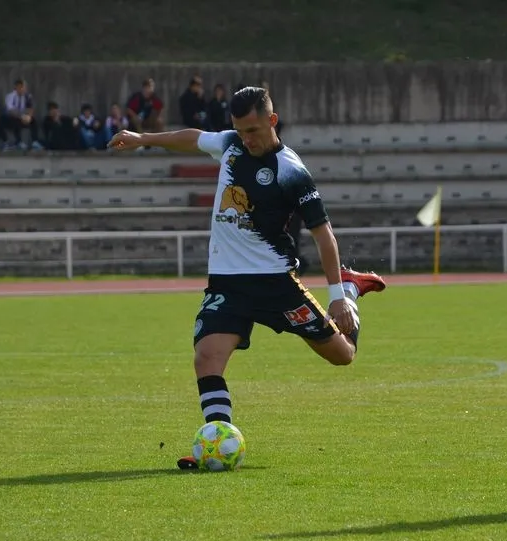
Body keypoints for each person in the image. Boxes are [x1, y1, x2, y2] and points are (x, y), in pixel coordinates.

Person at [108, 86, 386, 469]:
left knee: (343, 356)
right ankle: (217, 442)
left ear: (272, 121)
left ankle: (354, 287)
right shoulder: (231, 145)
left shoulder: (292, 172)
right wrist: (145, 139)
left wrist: (338, 294)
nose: (246, 138)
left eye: (253, 130)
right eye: (239, 130)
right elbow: (192, 138)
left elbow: (323, 233)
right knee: (206, 357)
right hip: (228, 282)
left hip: (276, 284)